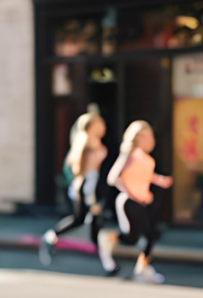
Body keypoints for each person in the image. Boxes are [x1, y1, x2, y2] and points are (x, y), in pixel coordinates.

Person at [97, 120, 174, 283]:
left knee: (146, 236)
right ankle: (110, 239)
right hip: (129, 202)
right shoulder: (130, 154)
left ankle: (141, 268)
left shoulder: (145, 158)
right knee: (138, 237)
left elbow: (144, 175)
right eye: (144, 136)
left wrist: (160, 180)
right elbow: (113, 178)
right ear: (137, 138)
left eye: (150, 136)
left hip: (141, 201)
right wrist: (133, 194)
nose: (149, 140)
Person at [40, 106, 108, 266]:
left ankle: (107, 260)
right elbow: (84, 173)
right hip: (86, 187)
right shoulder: (88, 143)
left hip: (88, 186)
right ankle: (107, 260)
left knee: (87, 221)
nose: (103, 126)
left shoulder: (91, 142)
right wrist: (91, 199)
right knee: (85, 220)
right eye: (99, 123)